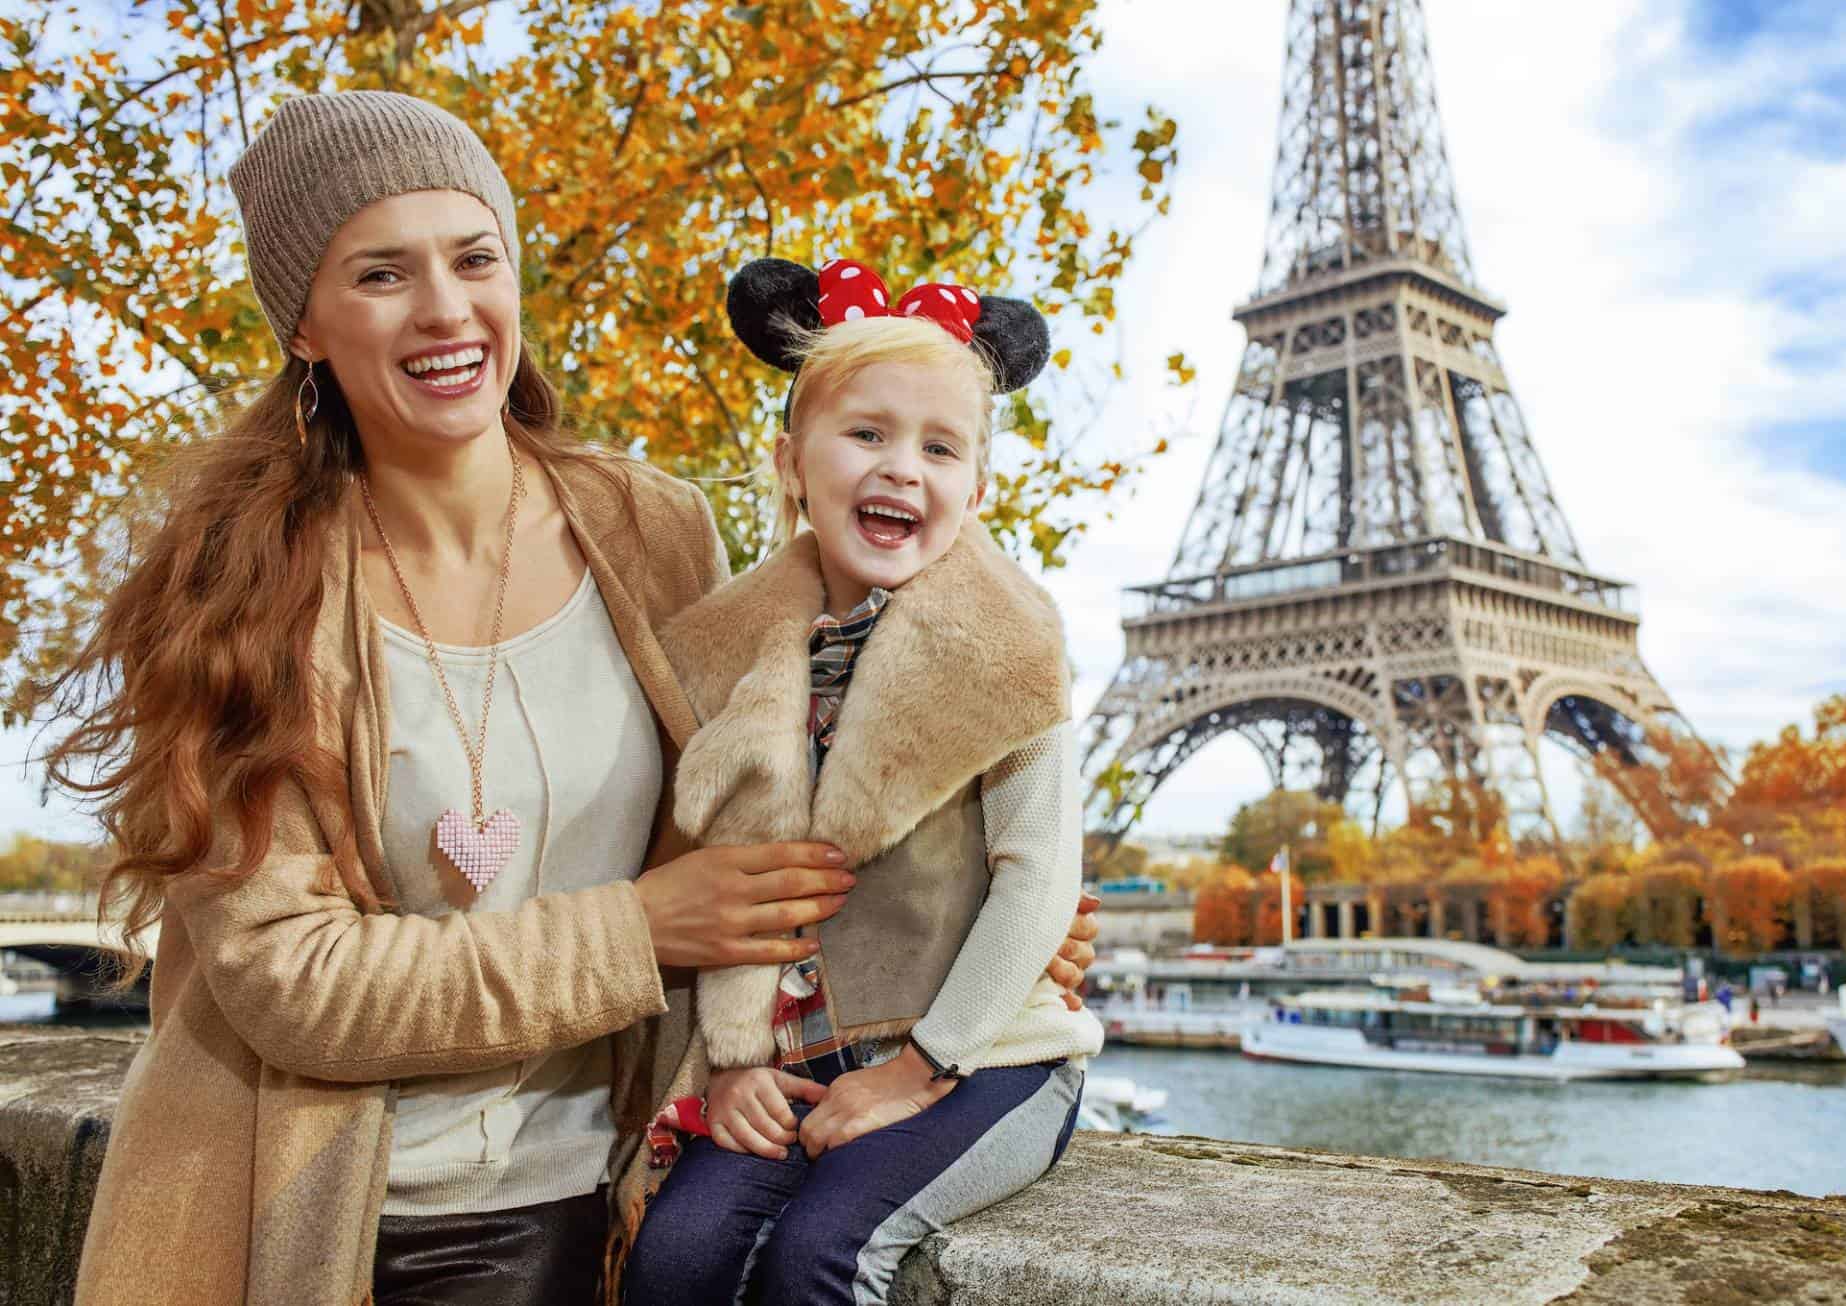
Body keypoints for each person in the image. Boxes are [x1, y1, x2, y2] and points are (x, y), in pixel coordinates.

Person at [49, 92, 1095, 1306]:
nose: (446, 308)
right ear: (305, 325)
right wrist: (640, 929)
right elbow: (292, 980)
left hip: (599, 1206)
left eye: (475, 256)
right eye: (382, 272)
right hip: (312, 1208)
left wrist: (1014, 920)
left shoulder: (651, 531)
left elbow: (791, 798)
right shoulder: (239, 592)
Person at [625, 258, 1104, 1306]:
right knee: (672, 1259)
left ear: (977, 490)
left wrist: (918, 1070)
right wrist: (737, 1060)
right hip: (800, 1057)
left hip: (987, 1059)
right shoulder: (730, 657)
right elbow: (722, 887)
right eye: (867, 434)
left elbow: (1038, 884)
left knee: (821, 1259)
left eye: (939, 447)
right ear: (792, 460)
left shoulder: (1011, 652)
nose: (903, 469)